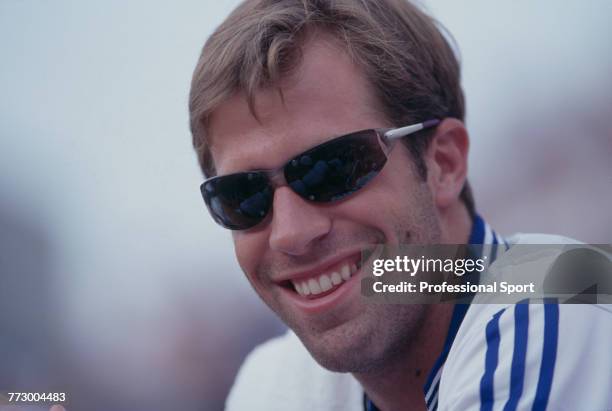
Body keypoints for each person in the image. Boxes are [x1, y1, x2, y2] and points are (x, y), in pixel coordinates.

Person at [188, 0, 612, 410]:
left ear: (444, 162)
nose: (291, 233)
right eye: (243, 196)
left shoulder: (562, 290)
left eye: (332, 168)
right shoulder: (275, 385)